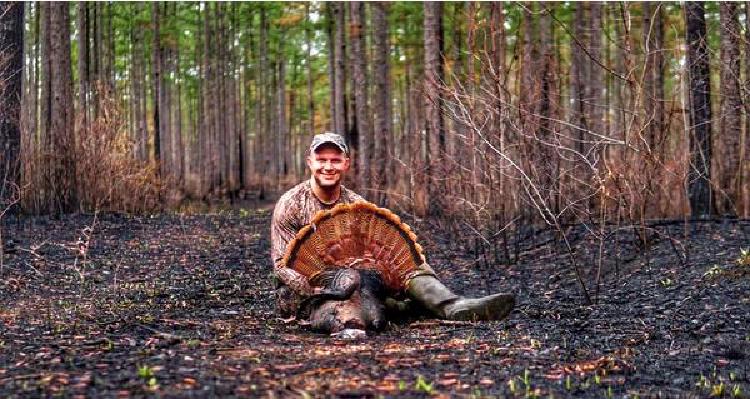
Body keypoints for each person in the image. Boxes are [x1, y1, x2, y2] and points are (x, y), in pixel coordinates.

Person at [270, 132, 515, 324]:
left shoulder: (356, 204)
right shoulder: (291, 204)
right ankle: (414, 308)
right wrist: (316, 287)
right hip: (307, 294)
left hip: (358, 282)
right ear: (309, 162)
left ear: (346, 164)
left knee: (409, 267)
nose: (328, 167)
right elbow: (281, 266)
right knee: (366, 303)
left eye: (335, 160)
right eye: (321, 160)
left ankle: (453, 307)